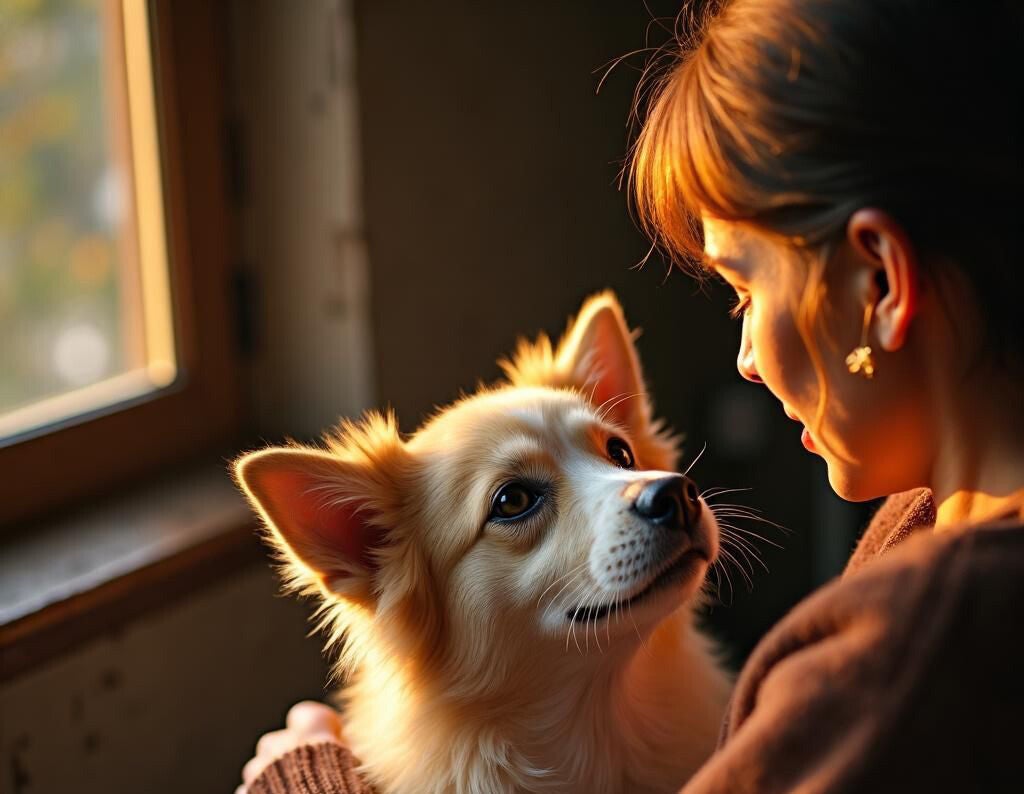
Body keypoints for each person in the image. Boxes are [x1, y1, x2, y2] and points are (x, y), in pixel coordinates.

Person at [238, 0, 1024, 791]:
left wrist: (303, 778)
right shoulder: (934, 522)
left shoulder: (928, 639)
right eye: (515, 499)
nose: (745, 357)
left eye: (744, 288)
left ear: (880, 280)